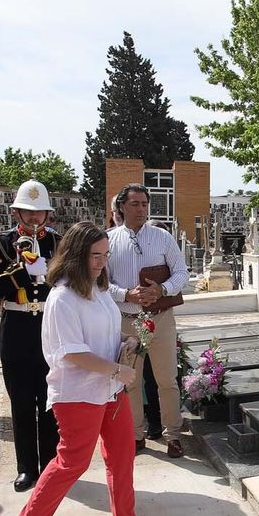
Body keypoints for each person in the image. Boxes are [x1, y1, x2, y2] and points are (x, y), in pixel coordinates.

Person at [6, 223, 152, 516]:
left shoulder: (98, 289)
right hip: (78, 392)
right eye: (94, 256)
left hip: (109, 388)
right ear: (75, 255)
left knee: (122, 453)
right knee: (73, 461)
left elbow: (101, 334)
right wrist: (118, 369)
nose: (102, 262)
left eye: (105, 255)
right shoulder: (62, 298)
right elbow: (72, 352)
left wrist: (124, 340)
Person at [0, 180, 59, 491]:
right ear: (16, 213)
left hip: (50, 331)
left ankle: (52, 467)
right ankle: (27, 468)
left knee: (51, 405)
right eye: (28, 212)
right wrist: (19, 273)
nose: (35, 218)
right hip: (16, 330)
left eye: (40, 212)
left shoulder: (59, 242)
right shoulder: (1, 243)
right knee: (22, 406)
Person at [105, 184, 188, 456]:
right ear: (121, 207)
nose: (140, 209)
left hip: (160, 318)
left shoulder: (163, 238)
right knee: (130, 380)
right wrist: (126, 292)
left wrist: (161, 290)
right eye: (134, 204)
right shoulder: (108, 240)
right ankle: (135, 434)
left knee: (167, 379)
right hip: (127, 320)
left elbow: (181, 274)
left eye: (144, 204)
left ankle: (173, 435)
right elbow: (100, 283)